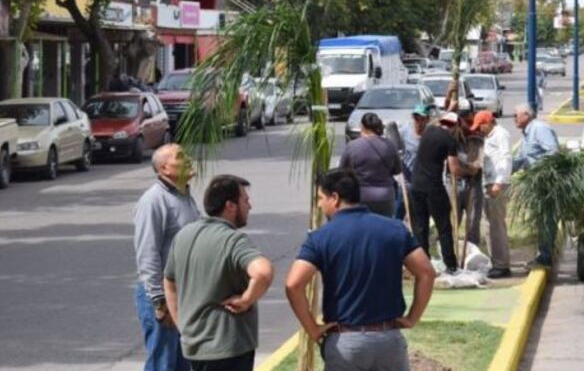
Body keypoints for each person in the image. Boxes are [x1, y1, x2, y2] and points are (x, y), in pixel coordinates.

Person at [285, 169, 437, 371]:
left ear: (335, 198)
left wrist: (312, 329)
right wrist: (412, 317)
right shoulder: (395, 229)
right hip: (388, 341)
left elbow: (293, 284)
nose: (320, 205)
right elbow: (426, 272)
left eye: (321, 198)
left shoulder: (320, 238)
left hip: (346, 344)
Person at [163, 175, 274, 371]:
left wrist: (182, 323)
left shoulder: (184, 236)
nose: (250, 206)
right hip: (229, 348)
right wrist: (246, 300)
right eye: (245, 200)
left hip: (194, 346)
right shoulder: (233, 240)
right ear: (230, 205)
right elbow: (264, 272)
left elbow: (169, 281)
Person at [133, 144, 200, 371]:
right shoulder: (153, 201)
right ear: (164, 168)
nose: (188, 159)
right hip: (163, 296)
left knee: (184, 363)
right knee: (163, 364)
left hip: (185, 294)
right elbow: (147, 253)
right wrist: (160, 302)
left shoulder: (185, 197)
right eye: (181, 157)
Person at [409, 112, 467, 273]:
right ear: (454, 126)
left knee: (421, 227)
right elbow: (454, 169)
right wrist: (469, 171)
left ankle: (423, 263)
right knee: (444, 227)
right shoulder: (449, 140)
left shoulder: (428, 131)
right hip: (433, 187)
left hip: (415, 185)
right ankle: (451, 265)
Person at [513, 103, 560, 267]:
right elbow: (521, 159)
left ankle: (546, 256)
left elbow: (553, 152)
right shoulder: (526, 134)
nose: (514, 119)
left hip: (545, 181)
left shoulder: (539, 128)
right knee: (540, 218)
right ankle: (543, 253)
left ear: (526, 115)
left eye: (516, 115)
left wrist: (539, 171)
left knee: (546, 218)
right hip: (535, 182)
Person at [472, 110, 513, 279]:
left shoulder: (501, 134)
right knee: (488, 226)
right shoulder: (488, 137)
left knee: (496, 226)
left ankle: (502, 264)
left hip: (497, 185)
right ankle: (495, 262)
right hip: (488, 184)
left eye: (480, 126)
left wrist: (498, 182)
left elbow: (506, 158)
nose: (479, 130)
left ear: (487, 123)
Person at [339, 113, 402, 217]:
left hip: (360, 196)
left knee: (362, 230)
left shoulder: (352, 146)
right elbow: (397, 170)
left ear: (362, 127)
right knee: (384, 229)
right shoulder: (389, 145)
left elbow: (343, 172)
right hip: (385, 197)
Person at [454, 102, 483, 246]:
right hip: (454, 183)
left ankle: (472, 256)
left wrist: (473, 167)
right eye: (461, 117)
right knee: (452, 222)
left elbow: (479, 161)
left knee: (472, 224)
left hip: (474, 184)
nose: (464, 121)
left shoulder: (478, 133)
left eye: (466, 116)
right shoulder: (452, 134)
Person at [396, 104, 431, 220]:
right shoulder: (405, 131)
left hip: (422, 182)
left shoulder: (430, 134)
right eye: (416, 117)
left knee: (419, 216)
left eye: (422, 118)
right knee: (398, 212)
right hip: (406, 180)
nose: (419, 121)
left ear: (427, 119)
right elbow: (394, 147)